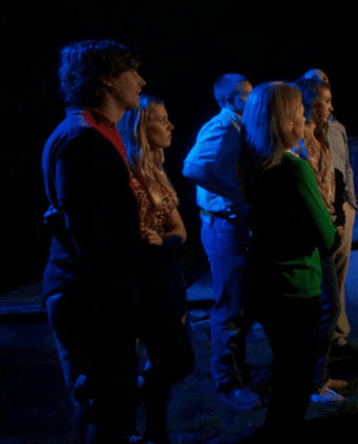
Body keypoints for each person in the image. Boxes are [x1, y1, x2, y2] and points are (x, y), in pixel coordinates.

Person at [41, 39, 145, 443]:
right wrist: (122, 296)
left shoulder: (97, 131)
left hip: (94, 293)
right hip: (89, 296)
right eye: (132, 71)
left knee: (107, 401)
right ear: (106, 78)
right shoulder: (82, 138)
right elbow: (89, 235)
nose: (141, 80)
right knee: (106, 403)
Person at [239, 82, 337, 436]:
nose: (304, 117)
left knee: (284, 371)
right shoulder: (295, 169)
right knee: (295, 381)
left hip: (263, 282)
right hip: (297, 284)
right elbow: (328, 238)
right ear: (283, 120)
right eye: (298, 111)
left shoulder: (251, 166)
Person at [182, 73, 263, 411]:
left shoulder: (240, 126)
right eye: (245, 93)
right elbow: (193, 167)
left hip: (235, 224)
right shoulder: (221, 127)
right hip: (223, 225)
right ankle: (228, 383)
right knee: (230, 305)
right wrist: (235, 195)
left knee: (243, 303)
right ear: (229, 100)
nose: (252, 97)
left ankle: (239, 371)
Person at [119, 95, 196, 443]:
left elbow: (180, 230)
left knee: (172, 360)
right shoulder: (126, 175)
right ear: (140, 127)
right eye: (162, 120)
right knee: (168, 358)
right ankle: (128, 417)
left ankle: (154, 429)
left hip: (166, 276)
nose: (170, 126)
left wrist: (162, 240)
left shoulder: (156, 172)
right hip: (141, 282)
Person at [292, 77, 347, 404]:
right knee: (326, 307)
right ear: (311, 102)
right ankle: (313, 383)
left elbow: (330, 181)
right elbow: (308, 188)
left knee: (327, 306)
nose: (331, 106)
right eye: (326, 100)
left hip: (327, 225)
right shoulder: (301, 141)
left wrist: (338, 217)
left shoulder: (321, 136)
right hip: (313, 231)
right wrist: (326, 224)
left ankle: (318, 377)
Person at [301, 68, 358, 359]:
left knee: (339, 273)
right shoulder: (302, 134)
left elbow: (344, 166)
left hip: (341, 208)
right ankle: (323, 342)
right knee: (322, 278)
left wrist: (350, 202)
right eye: (318, 85)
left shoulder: (335, 128)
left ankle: (337, 338)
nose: (329, 104)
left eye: (325, 81)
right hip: (320, 211)